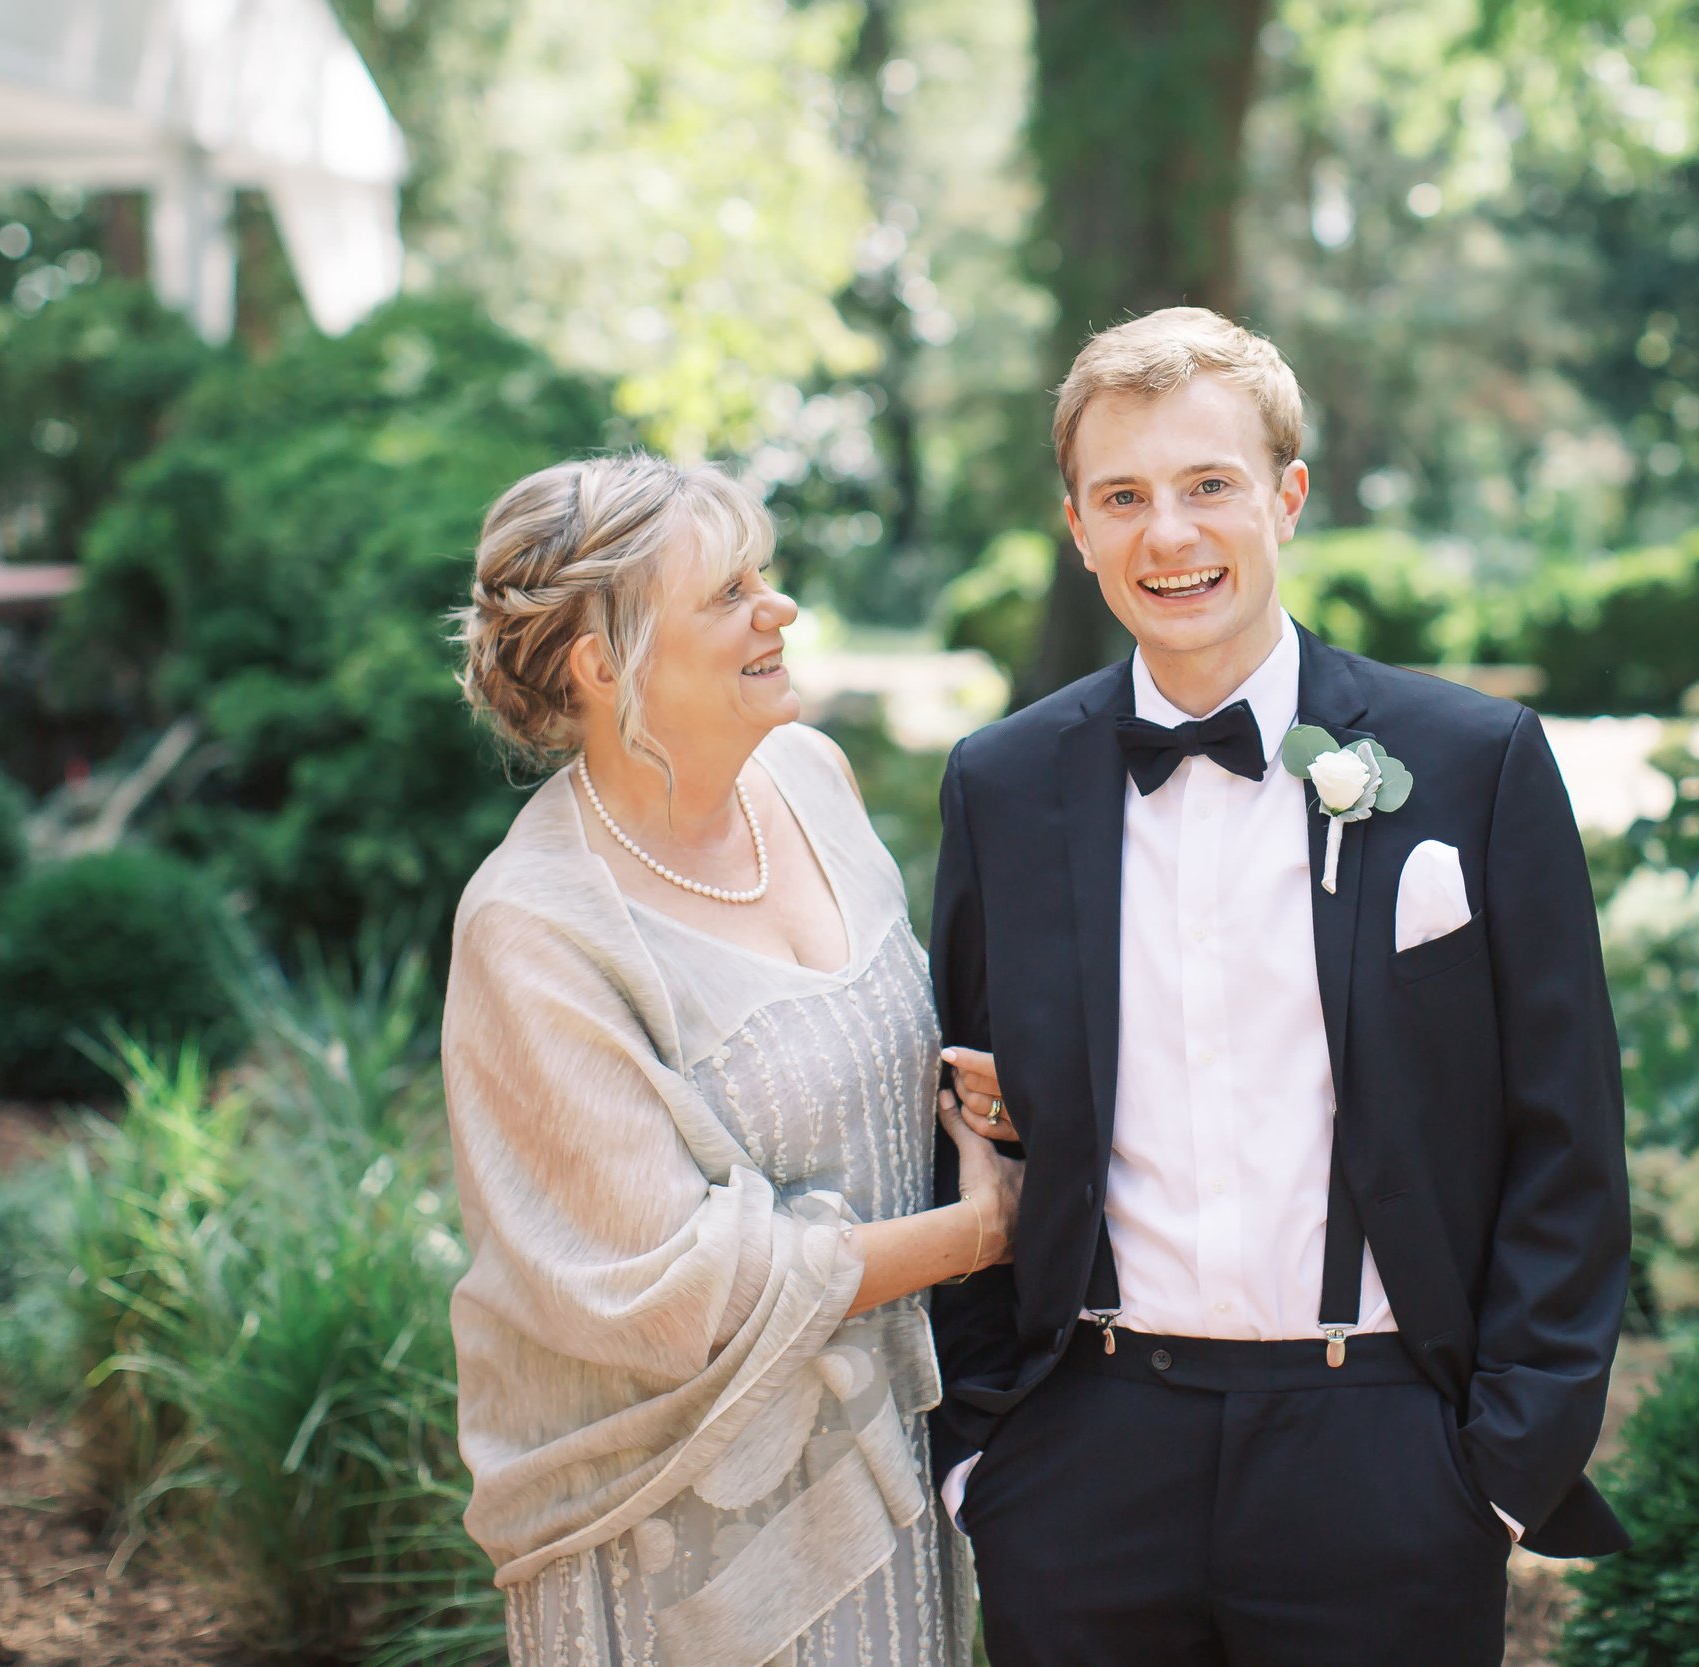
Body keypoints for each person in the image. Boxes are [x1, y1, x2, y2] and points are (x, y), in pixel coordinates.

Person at [928, 307, 1631, 1667]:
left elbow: (1568, 1133)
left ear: (1287, 498)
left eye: (1208, 486)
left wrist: (1494, 1466)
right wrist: (984, 1456)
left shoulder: (1473, 762)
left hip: (1385, 1455)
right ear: (1076, 525)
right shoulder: (1001, 783)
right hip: (1083, 1455)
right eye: (1122, 496)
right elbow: (959, 1105)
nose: (1168, 535)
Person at [440, 453, 1018, 1667]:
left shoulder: (811, 780)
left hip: (889, 1466)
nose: (780, 606)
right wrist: (977, 1235)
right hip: (687, 1531)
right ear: (602, 664)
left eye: (765, 573)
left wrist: (977, 1099)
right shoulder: (535, 926)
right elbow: (670, 1285)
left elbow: (863, 1063)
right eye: (727, 591)